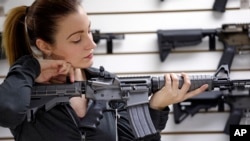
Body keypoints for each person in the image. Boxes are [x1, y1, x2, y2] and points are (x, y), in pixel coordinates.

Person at [0, 0, 208, 141]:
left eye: (89, 31)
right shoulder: (22, 89)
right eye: (77, 39)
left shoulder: (107, 84)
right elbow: (6, 112)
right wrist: (30, 66)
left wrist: (155, 108)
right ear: (45, 45)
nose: (91, 44)